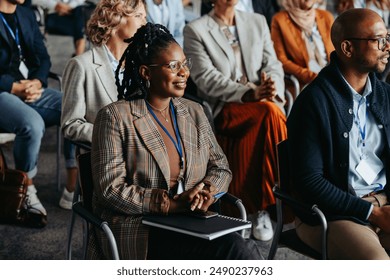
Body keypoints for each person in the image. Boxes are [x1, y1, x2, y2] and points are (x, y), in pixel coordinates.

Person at [89, 22, 263, 260]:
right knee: (237, 251)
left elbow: (220, 166)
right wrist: (170, 205)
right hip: (143, 228)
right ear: (146, 72)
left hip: (191, 220)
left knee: (241, 249)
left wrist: (206, 191)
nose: (184, 72)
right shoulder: (116, 117)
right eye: (173, 66)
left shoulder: (194, 111)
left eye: (184, 63)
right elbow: (110, 189)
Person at [287, 8, 390, 259]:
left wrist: (382, 202)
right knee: (377, 265)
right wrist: (372, 213)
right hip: (329, 214)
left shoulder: (385, 95)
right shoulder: (314, 102)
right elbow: (310, 183)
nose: (387, 46)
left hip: (382, 202)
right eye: (379, 40)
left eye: (387, 37)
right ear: (347, 48)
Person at [183, 0, 287, 241]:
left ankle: (251, 208)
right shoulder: (196, 29)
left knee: (269, 113)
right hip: (225, 106)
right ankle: (275, 202)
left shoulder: (256, 21)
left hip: (263, 102)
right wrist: (249, 93)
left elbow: (272, 64)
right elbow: (205, 78)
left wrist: (271, 87)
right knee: (271, 114)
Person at [60, 0, 147, 209]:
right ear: (116, 19)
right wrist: (114, 137)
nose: (146, 22)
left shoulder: (140, 65)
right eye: (139, 16)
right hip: (106, 161)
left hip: (143, 154)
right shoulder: (82, 65)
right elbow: (70, 125)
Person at [0, 0, 76, 225]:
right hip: (4, 91)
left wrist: (37, 81)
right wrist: (14, 87)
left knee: (73, 106)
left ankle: (72, 185)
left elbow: (43, 57)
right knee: (32, 124)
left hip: (30, 88)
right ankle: (26, 186)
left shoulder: (26, 14)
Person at [271, 0, 334, 91]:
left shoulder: (326, 16)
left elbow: (338, 51)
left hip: (332, 77)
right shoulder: (279, 20)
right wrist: (311, 76)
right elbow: (281, 60)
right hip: (304, 83)